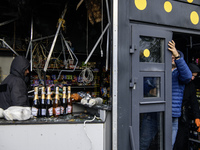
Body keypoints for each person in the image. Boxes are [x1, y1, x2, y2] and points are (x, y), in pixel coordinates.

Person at [168, 40, 192, 148]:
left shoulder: (180, 73)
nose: (173, 57)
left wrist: (177, 55)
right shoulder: (162, 70)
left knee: (169, 145)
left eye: (175, 56)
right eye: (171, 55)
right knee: (145, 142)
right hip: (155, 113)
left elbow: (188, 76)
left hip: (173, 115)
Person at [173, 63, 200, 150]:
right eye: (192, 75)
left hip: (182, 116)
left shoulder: (191, 85)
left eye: (194, 76)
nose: (192, 78)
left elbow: (194, 101)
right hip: (173, 113)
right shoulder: (176, 80)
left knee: (182, 141)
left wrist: (197, 117)